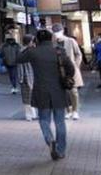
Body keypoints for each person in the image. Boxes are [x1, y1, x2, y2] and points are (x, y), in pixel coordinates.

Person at [18, 29, 76, 160]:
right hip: (59, 91)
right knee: (60, 121)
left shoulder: (33, 52)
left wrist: (29, 46)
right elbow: (71, 69)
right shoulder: (59, 51)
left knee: (44, 119)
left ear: (36, 40)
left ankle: (50, 140)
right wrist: (65, 77)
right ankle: (60, 151)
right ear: (51, 39)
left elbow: (18, 59)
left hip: (41, 90)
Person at [52, 24, 84, 120]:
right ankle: (68, 111)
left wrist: (76, 65)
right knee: (63, 92)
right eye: (55, 33)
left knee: (73, 91)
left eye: (58, 32)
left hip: (71, 69)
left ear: (62, 31)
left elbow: (79, 54)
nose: (57, 35)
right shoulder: (53, 43)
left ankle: (75, 111)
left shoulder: (70, 41)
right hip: (59, 70)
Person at [19, 35, 37, 121]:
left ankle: (31, 114)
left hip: (29, 76)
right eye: (32, 41)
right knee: (28, 95)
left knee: (28, 96)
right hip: (28, 76)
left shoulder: (23, 51)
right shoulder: (26, 51)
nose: (34, 43)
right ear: (29, 42)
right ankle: (29, 114)